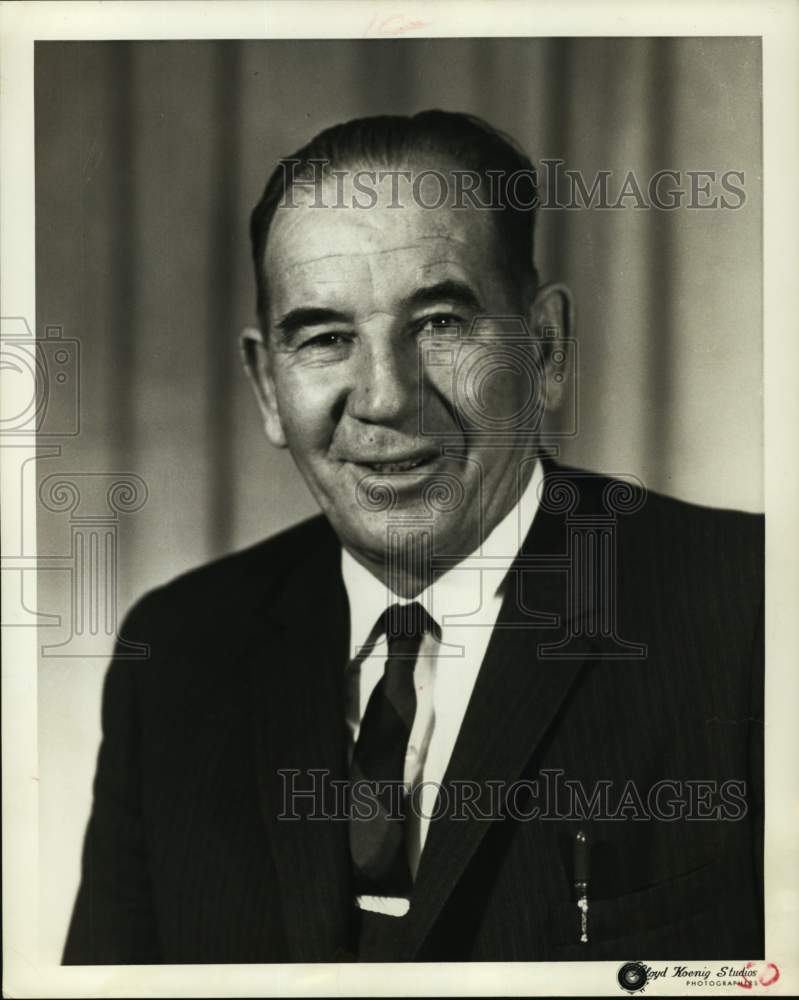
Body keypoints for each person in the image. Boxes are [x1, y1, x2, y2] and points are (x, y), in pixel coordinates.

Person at [63, 110, 763, 964]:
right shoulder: (176, 655)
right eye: (324, 338)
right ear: (265, 387)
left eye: (439, 323)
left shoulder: (754, 612)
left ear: (544, 349)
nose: (386, 397)